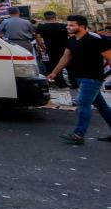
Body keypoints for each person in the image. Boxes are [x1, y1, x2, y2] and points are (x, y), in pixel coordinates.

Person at [47, 15, 111, 144]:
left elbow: (109, 58)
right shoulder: (71, 40)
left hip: (93, 78)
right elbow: (66, 58)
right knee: (102, 106)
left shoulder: (96, 40)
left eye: (71, 25)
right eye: (68, 24)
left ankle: (79, 134)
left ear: (82, 26)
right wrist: (54, 73)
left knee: (83, 103)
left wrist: (105, 75)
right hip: (80, 77)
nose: (68, 27)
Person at [36, 11, 69, 87]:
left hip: (50, 49)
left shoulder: (41, 27)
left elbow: (38, 39)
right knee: (66, 64)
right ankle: (70, 82)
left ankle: (54, 81)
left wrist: (43, 48)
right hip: (64, 49)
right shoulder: (64, 26)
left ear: (45, 17)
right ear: (55, 16)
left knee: (52, 64)